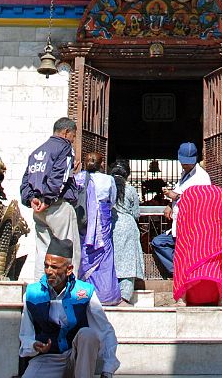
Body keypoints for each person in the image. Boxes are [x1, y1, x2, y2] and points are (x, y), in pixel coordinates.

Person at [19, 237, 119, 378]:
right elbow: (25, 335)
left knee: (88, 334)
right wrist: (34, 346)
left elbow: (104, 330)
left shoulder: (84, 292)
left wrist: (108, 369)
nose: (48, 271)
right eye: (46, 266)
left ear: (69, 270)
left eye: (54, 267)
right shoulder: (32, 294)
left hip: (78, 358)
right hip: (48, 359)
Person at [22, 117, 81, 271]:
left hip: (38, 209)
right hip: (57, 206)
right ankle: (68, 289)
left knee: (43, 250)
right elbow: (58, 176)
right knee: (68, 249)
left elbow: (26, 180)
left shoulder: (36, 152)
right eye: (73, 136)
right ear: (67, 132)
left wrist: (31, 199)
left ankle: (41, 288)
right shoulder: (65, 147)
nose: (73, 140)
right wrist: (48, 199)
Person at [150, 142, 211, 277]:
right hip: (178, 224)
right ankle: (179, 270)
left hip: (191, 225)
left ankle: (188, 272)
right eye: (184, 162)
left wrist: (175, 197)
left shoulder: (201, 177)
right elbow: (177, 193)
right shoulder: (185, 174)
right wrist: (170, 204)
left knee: (188, 250)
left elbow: (199, 200)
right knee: (158, 242)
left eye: (188, 163)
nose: (186, 165)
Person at [173, 184, 222, 306]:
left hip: (193, 240)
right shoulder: (218, 196)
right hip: (215, 239)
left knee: (185, 260)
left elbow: (182, 221)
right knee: (217, 262)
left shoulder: (190, 195)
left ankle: (182, 299)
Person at [75, 151, 120, 305]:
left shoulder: (78, 178)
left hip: (83, 221)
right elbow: (112, 200)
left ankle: (83, 293)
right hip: (102, 221)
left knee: (83, 253)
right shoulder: (108, 180)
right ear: (102, 164)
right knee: (104, 255)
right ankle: (105, 296)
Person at [110, 160, 144, 304]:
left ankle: (110, 292)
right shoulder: (130, 189)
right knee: (129, 262)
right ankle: (125, 296)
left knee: (112, 260)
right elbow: (136, 213)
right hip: (128, 226)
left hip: (110, 225)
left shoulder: (108, 187)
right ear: (127, 174)